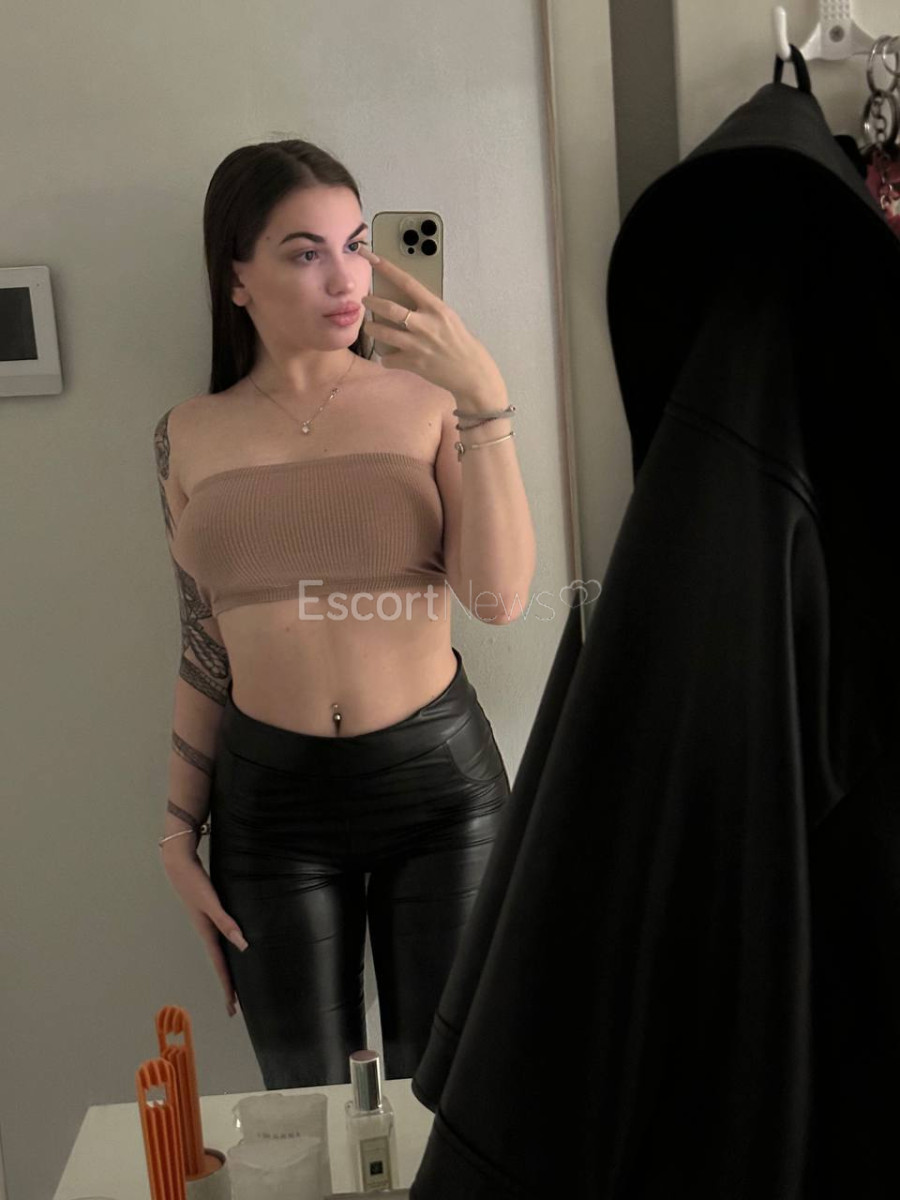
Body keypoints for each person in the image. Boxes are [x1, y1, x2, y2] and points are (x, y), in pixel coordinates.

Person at [152, 138, 536, 1089]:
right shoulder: (185, 435)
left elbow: (499, 599)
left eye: (356, 245)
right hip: (268, 806)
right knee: (302, 1104)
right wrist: (175, 832)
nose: (346, 278)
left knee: (447, 1095)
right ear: (235, 278)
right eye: (305, 252)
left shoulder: (428, 402)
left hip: (439, 792)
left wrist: (485, 402)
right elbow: (204, 644)